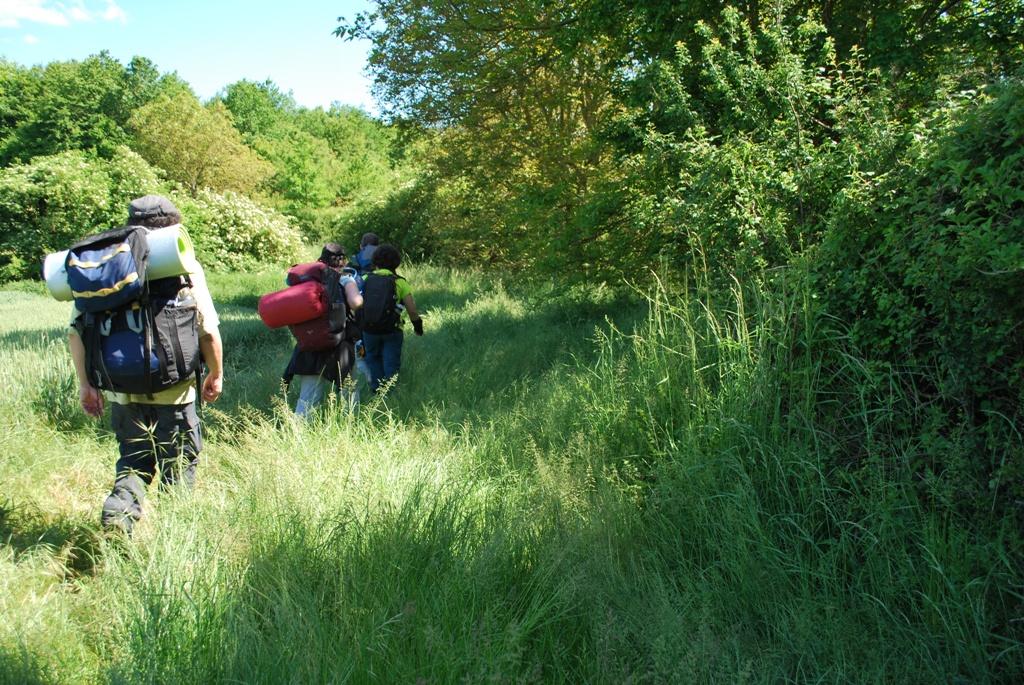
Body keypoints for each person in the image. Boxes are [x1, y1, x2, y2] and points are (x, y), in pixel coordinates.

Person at [67, 195, 224, 535]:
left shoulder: (106, 265)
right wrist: (216, 373)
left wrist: (86, 384)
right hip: (175, 394)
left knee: (134, 463)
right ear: (172, 226)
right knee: (179, 467)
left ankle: (119, 516)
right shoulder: (181, 264)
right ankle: (178, 538)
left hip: (122, 393)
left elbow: (76, 333)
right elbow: (208, 329)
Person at [283, 243, 364, 417]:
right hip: (339, 343)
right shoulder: (345, 279)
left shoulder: (309, 280)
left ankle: (299, 435)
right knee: (348, 390)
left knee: (308, 397)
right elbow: (356, 303)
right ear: (343, 261)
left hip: (310, 343)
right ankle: (350, 427)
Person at [359, 243, 423, 392]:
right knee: (391, 362)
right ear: (396, 262)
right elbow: (412, 311)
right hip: (392, 330)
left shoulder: (365, 278)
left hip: (369, 330)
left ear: (375, 261)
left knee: (373, 359)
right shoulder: (400, 282)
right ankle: (390, 394)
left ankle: (376, 391)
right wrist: (418, 327)